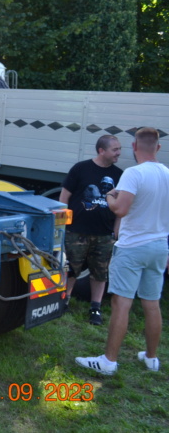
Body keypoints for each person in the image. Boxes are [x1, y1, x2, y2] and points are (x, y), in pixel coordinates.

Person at [76, 127, 169, 374]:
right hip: (159, 246)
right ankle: (151, 358)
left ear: (134, 147)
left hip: (133, 247)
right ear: (158, 147)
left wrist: (108, 196)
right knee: (152, 303)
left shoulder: (133, 173)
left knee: (121, 303)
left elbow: (120, 209)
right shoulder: (167, 173)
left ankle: (108, 361)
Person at [59, 134, 122, 325]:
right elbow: (64, 197)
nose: (118, 153)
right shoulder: (81, 169)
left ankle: (95, 308)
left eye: (119, 149)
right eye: (115, 149)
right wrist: (63, 225)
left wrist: (116, 231)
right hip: (76, 230)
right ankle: (64, 301)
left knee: (100, 272)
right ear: (101, 151)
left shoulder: (120, 175)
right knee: (70, 268)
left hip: (104, 234)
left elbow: (120, 207)